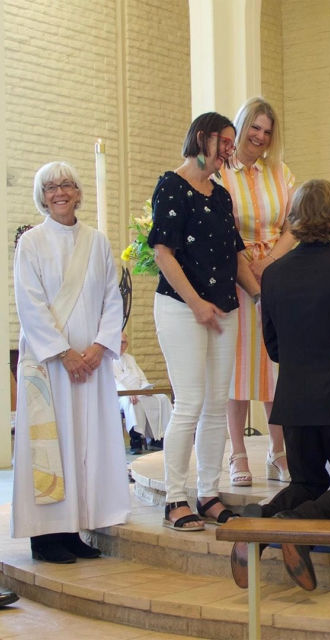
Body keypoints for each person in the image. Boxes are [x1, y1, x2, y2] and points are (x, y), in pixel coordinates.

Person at [230, 179, 330, 591]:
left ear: (295, 218)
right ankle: (296, 527)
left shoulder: (274, 275)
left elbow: (274, 346)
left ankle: (259, 521)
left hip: (295, 400)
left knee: (307, 483)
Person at [12, 161, 130, 563]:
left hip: (90, 366)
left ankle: (75, 527)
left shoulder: (96, 242)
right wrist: (65, 353)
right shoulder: (31, 243)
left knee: (83, 443)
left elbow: (112, 298)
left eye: (66, 185)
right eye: (50, 187)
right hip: (50, 365)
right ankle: (45, 537)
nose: (59, 192)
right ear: (42, 197)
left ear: (78, 193)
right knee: (51, 445)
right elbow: (29, 302)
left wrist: (98, 348)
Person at [148, 112, 259, 531]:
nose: (230, 150)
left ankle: (208, 492)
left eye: (232, 143)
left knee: (216, 403)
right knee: (190, 402)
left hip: (223, 309)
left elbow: (236, 256)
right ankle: (175, 498)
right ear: (201, 138)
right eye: (225, 141)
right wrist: (196, 304)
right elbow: (163, 252)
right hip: (181, 308)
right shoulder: (172, 186)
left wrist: (262, 297)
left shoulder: (221, 195)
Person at [217, 97, 295, 486]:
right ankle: (238, 454)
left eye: (267, 131)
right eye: (255, 127)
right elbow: (220, 229)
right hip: (234, 275)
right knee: (238, 368)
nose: (261, 136)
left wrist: (271, 262)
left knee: (275, 366)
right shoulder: (221, 173)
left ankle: (278, 452)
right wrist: (249, 269)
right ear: (241, 126)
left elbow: (294, 224)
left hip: (277, 273)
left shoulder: (280, 172)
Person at [113, 331, 171, 453]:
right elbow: (113, 381)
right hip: (120, 395)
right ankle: (136, 439)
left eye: (124, 343)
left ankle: (158, 437)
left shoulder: (130, 359)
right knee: (132, 402)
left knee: (162, 398)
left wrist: (147, 389)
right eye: (120, 342)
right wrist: (128, 393)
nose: (122, 345)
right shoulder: (107, 359)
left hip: (138, 393)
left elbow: (141, 378)